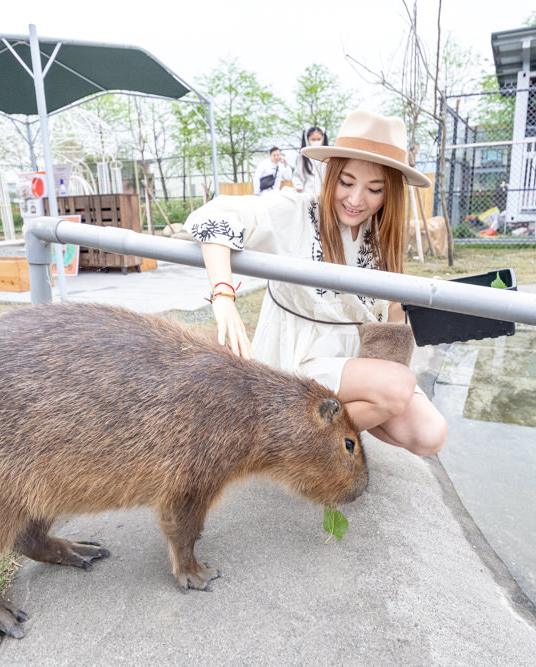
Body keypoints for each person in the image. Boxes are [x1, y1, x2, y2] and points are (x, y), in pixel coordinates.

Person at [183, 109, 447, 457]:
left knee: (430, 433)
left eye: (374, 189)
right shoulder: (296, 210)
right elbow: (216, 215)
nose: (355, 199)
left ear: (391, 192)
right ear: (332, 174)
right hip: (299, 355)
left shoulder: (380, 235)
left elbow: (387, 324)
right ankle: (285, 438)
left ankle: (292, 433)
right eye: (347, 182)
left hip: (352, 362)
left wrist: (415, 304)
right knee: (398, 387)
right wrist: (223, 296)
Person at [292, 126, 328, 197]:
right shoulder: (302, 157)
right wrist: (298, 185)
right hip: (307, 194)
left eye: (319, 139)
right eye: (313, 139)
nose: (316, 141)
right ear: (308, 139)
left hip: (324, 195)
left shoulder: (327, 156)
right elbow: (297, 176)